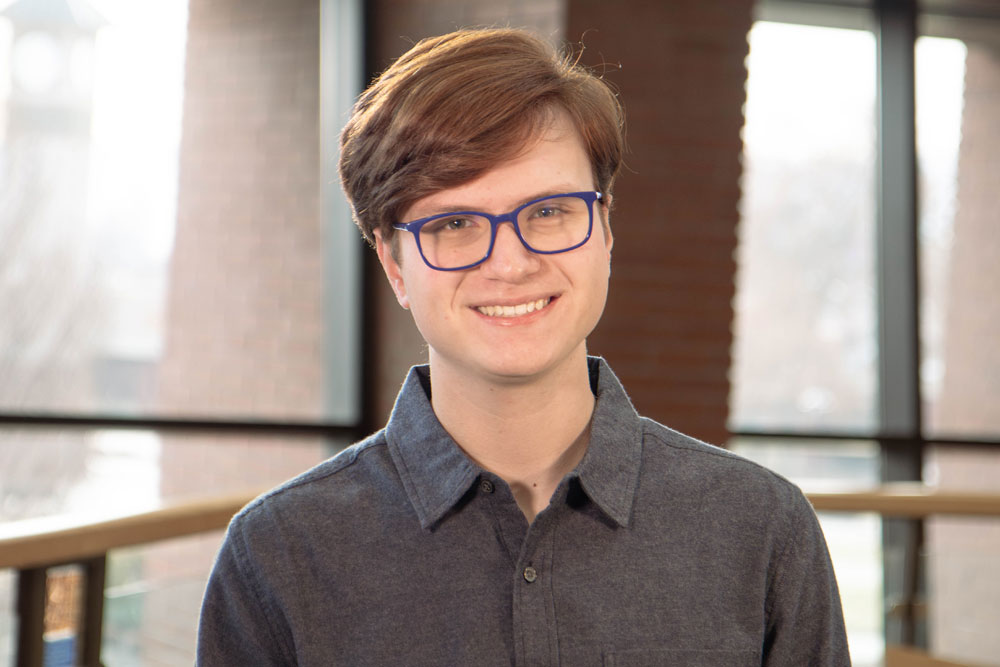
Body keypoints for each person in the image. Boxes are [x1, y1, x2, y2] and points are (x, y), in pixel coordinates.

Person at [196, 28, 850, 666]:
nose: (510, 263)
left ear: (605, 227)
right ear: (394, 264)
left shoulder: (762, 530)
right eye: (454, 224)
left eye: (548, 213)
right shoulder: (280, 555)